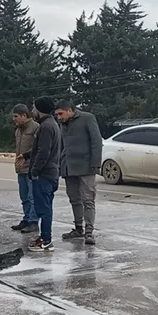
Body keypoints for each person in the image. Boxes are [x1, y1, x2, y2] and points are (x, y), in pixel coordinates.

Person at [55, 100, 103, 245]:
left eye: (61, 114)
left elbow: (96, 141)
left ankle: (89, 231)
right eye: (56, 114)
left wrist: (95, 164)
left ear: (70, 110)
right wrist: (59, 164)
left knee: (88, 199)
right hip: (68, 166)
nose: (58, 117)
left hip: (86, 166)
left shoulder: (87, 118)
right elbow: (61, 145)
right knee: (74, 198)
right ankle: (78, 228)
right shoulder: (63, 124)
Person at [28, 96, 61, 252]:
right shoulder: (51, 124)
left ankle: (46, 240)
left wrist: (35, 170)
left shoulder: (46, 127)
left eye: (34, 108)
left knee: (44, 208)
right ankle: (44, 237)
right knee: (45, 207)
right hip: (50, 172)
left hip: (44, 175)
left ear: (40, 110)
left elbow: (44, 152)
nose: (32, 111)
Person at [10, 103, 40, 234]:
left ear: (24, 115)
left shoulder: (36, 128)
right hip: (20, 169)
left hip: (31, 169)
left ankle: (33, 222)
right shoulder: (18, 130)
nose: (14, 119)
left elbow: (38, 148)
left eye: (16, 116)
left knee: (32, 196)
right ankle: (27, 219)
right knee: (24, 197)